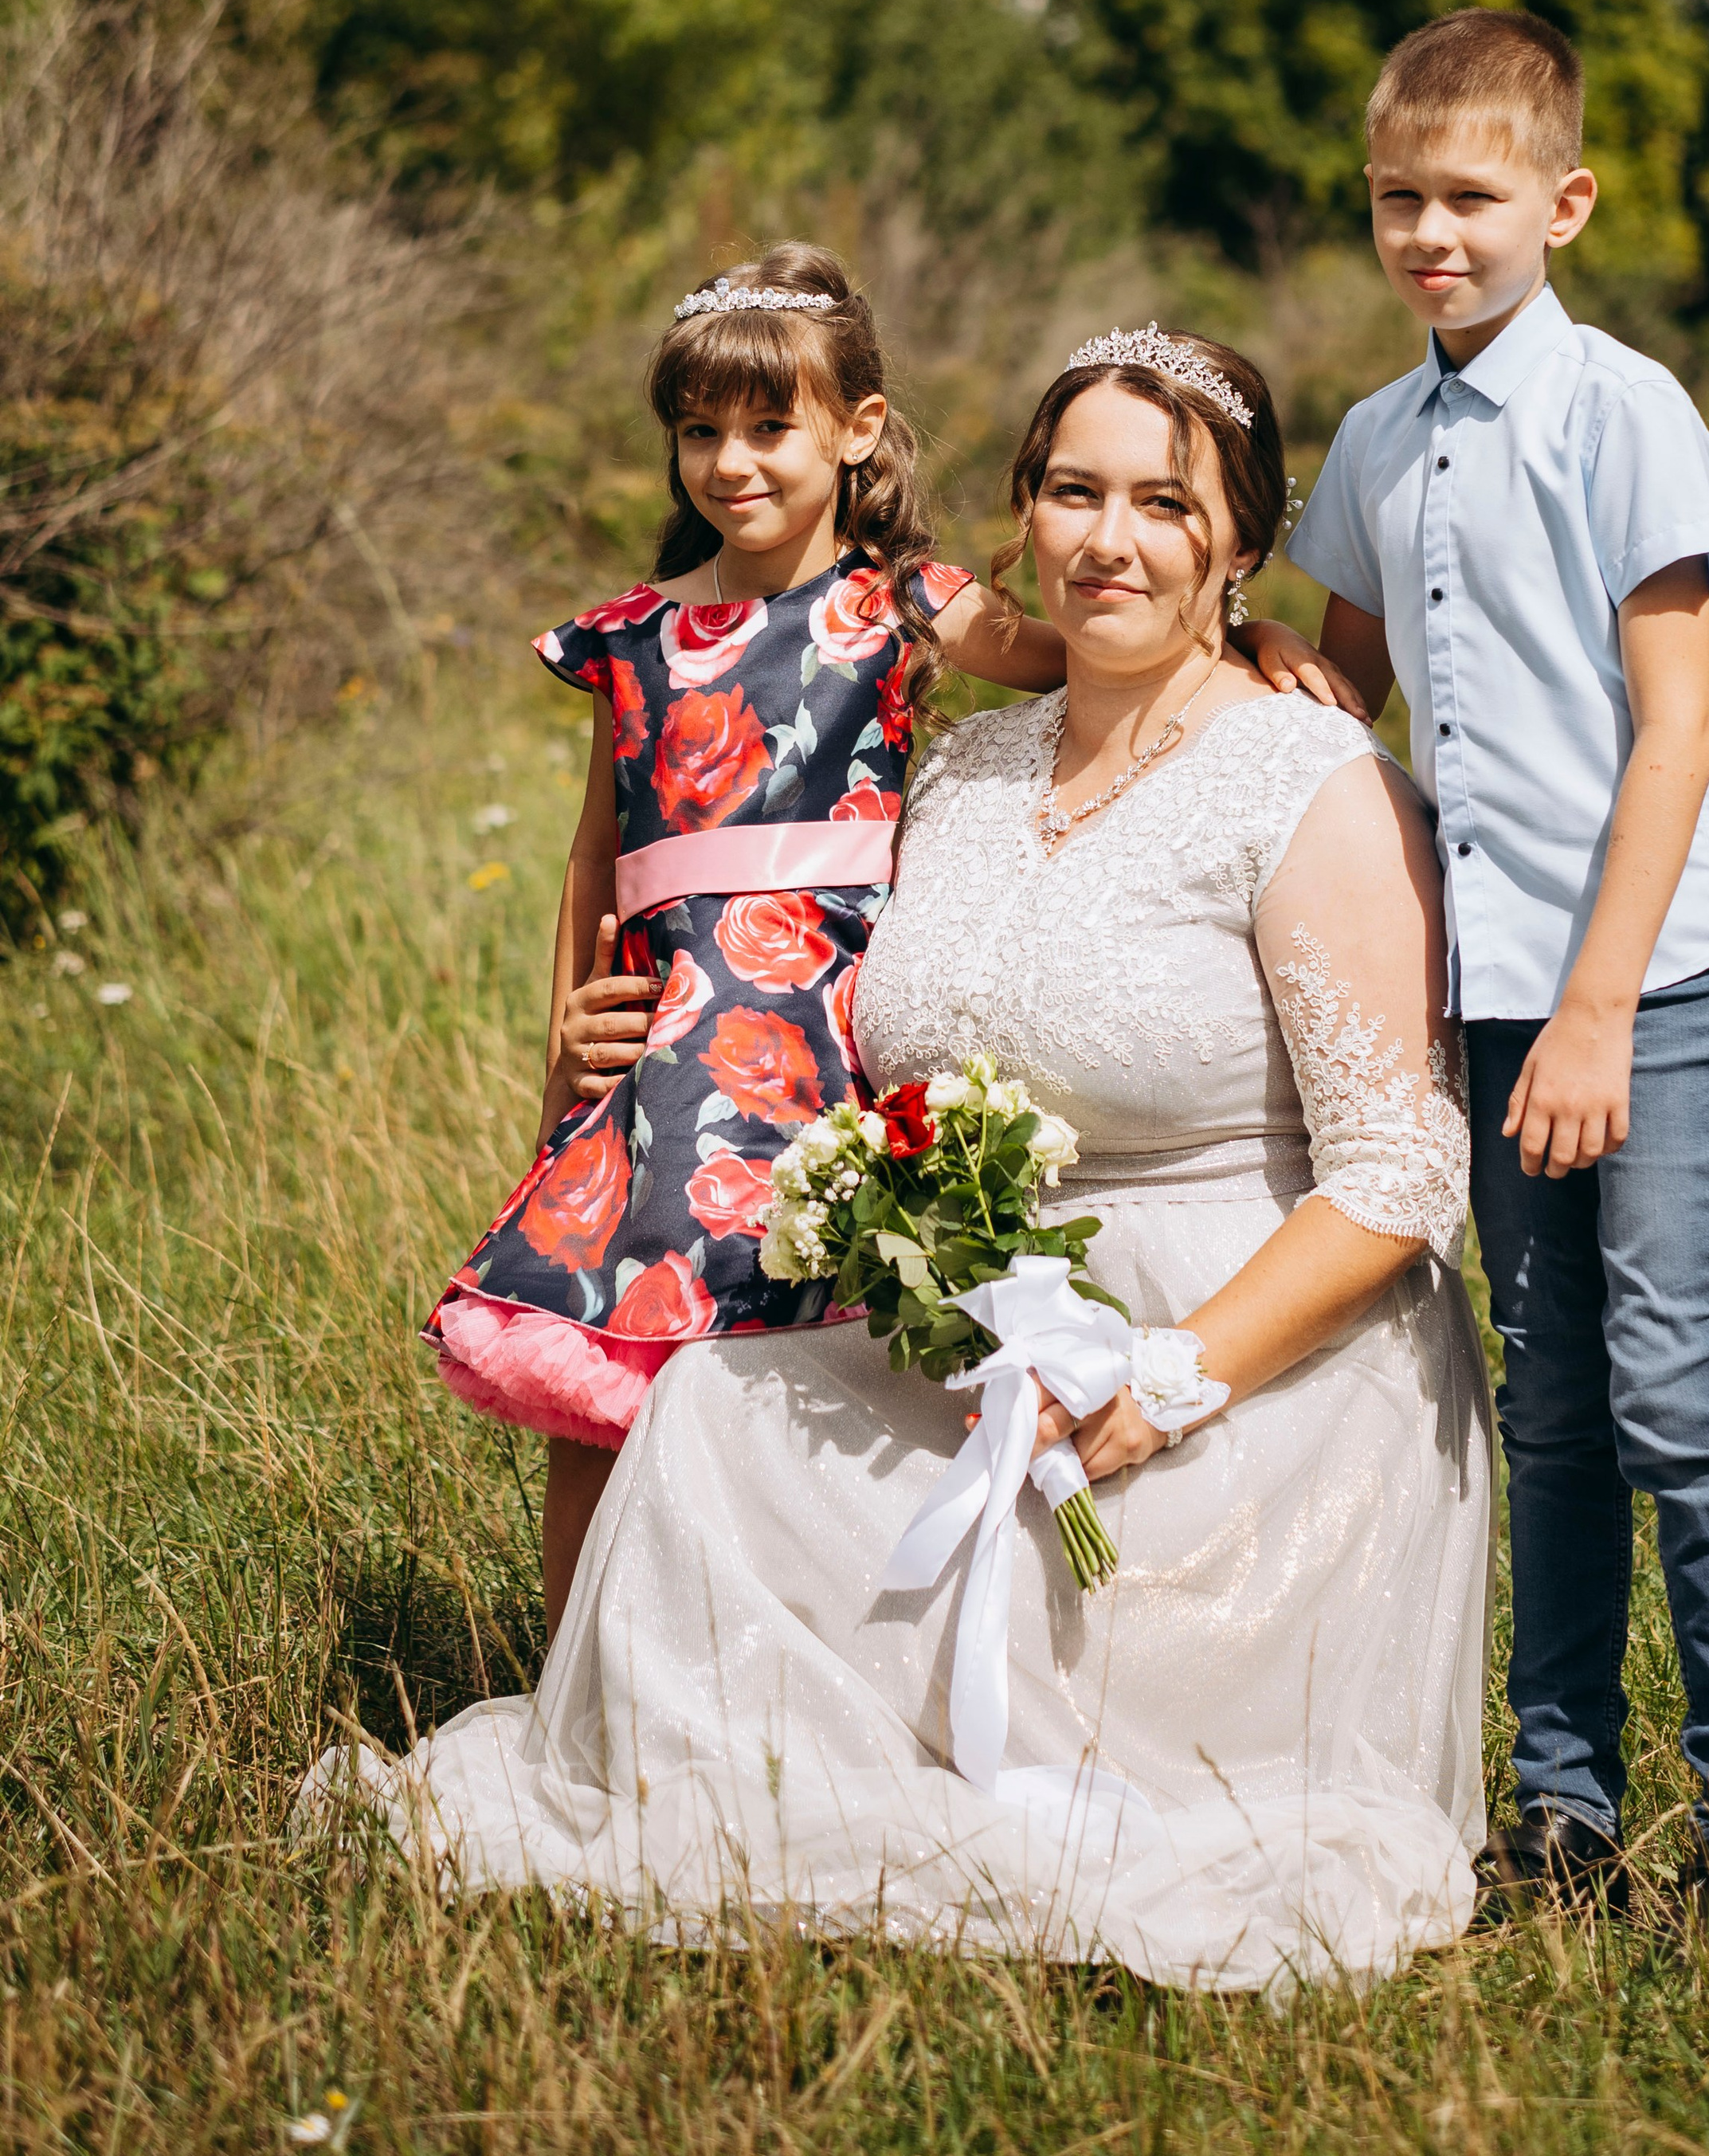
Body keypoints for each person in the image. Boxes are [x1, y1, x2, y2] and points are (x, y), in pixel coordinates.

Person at [343, 327, 1492, 1993]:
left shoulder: (1310, 781)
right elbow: (757, 925)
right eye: (1073, 492)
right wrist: (606, 1018)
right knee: (704, 1415)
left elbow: (1397, 1174)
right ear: (1021, 511)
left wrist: (1169, 1376)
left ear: (1242, 541)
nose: (1109, 541)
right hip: (981, 1319)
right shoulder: (961, 767)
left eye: (1166, 504)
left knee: (1101, 1733)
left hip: (1251, 1360)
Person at [427, 245, 1346, 1634]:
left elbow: (1096, 641)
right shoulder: (629, 638)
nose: (731, 462)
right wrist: (568, 1052)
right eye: (699, 432)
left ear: (857, 430)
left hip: (823, 1041)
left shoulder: (902, 602)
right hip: (663, 1050)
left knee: (816, 1366)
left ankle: (786, 1645)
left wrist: (1251, 627)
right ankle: (583, 1681)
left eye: (768, 426)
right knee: (615, 1372)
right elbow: (592, 855)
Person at [1288, 6, 1709, 1947]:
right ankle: (1560, 1814)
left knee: (1670, 1388)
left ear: (1561, 204)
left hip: (1649, 984)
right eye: (1395, 200)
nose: (1429, 234)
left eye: (1469, 198)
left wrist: (1595, 1012)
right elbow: (1332, 694)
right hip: (1489, 990)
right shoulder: (1372, 438)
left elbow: (1670, 728)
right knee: (1551, 1411)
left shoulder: (1622, 411)